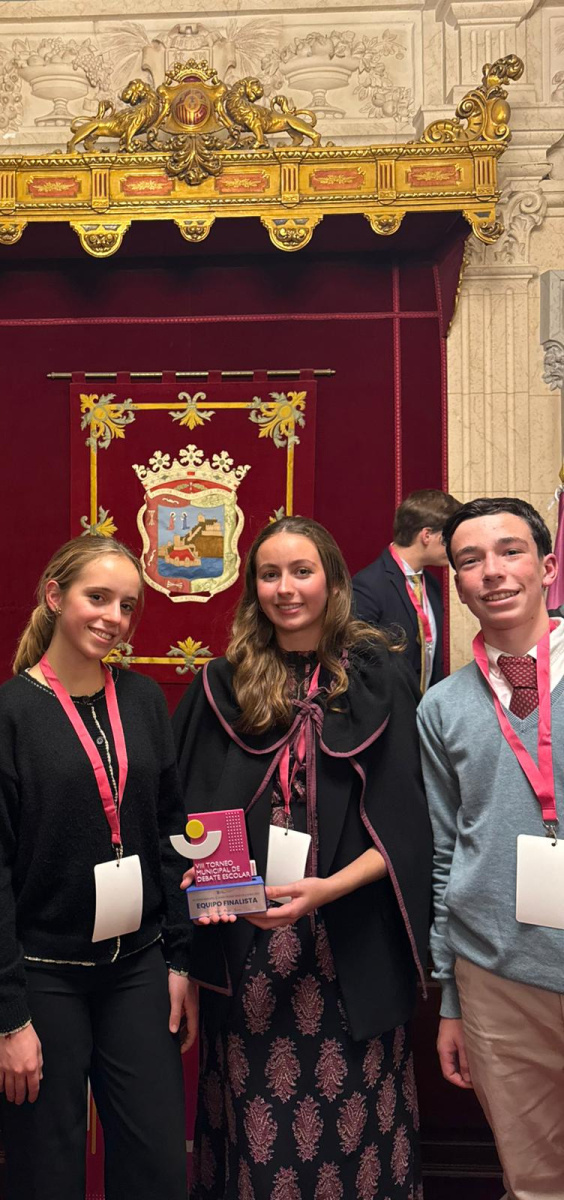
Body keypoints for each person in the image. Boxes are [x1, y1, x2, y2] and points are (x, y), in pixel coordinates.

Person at [174, 515, 432, 1199]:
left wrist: (325, 890)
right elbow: (193, 814)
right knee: (261, 1132)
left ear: (333, 581)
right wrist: (214, 888)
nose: (285, 588)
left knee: (354, 1132)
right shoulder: (222, 684)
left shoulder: (380, 676)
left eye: (301, 571)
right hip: (248, 951)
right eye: (269, 574)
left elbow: (409, 830)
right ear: (252, 587)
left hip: (351, 945)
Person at [0, 535, 195, 1200]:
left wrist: (179, 959)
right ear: (54, 596)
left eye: (126, 605)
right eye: (98, 597)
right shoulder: (8, 714)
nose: (113, 617)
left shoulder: (144, 700)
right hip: (44, 976)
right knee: (47, 1171)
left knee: (159, 1167)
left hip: (138, 967)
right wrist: (7, 1016)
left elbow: (171, 832)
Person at [418, 497, 564, 1199]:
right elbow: (445, 851)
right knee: (534, 1181)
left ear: (548, 566)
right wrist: (451, 994)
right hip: (498, 977)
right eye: (470, 561)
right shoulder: (442, 706)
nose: (492, 572)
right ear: (457, 584)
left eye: (510, 551)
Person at [353, 488, 461, 692]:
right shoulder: (368, 586)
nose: (453, 547)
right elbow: (360, 666)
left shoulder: (432, 584)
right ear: (427, 535)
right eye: (449, 538)